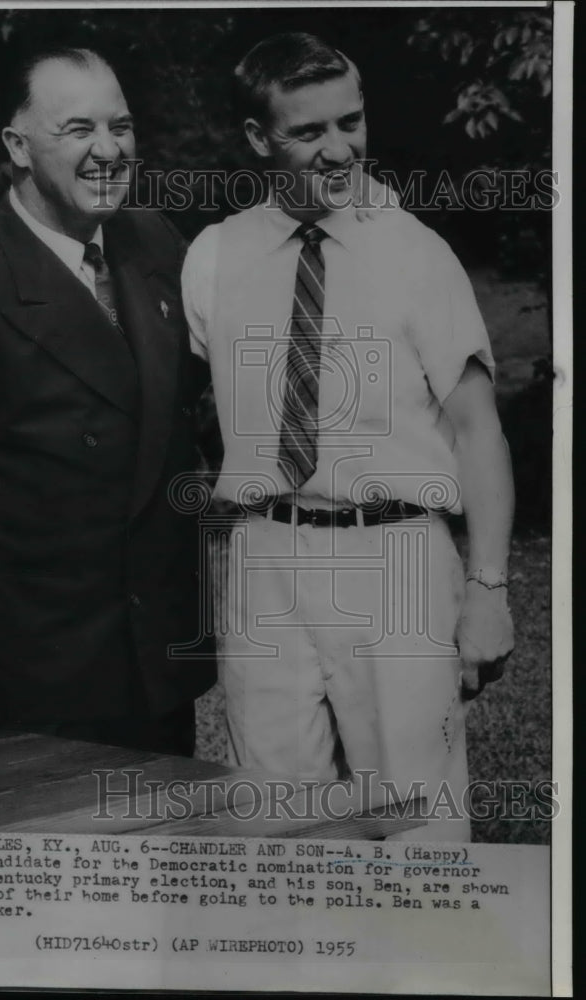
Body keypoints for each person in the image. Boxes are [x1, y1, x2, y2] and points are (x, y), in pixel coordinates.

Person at [182, 32, 514, 840]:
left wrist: (490, 588)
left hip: (395, 556)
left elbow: (478, 431)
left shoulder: (417, 254)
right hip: (265, 555)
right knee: (274, 817)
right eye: (309, 131)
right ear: (260, 139)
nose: (340, 149)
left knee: (415, 820)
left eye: (351, 122)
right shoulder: (213, 257)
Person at [0, 44, 215, 757]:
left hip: (155, 667)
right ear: (17, 147)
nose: (108, 151)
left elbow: (186, 413)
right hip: (34, 675)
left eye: (120, 127)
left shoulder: (153, 243)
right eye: (79, 129)